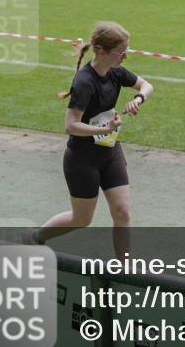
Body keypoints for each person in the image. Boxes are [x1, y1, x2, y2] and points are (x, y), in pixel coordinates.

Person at [38, 22, 153, 258]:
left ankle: (124, 267)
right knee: (81, 219)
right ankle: (34, 237)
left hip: (110, 152)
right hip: (82, 158)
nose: (125, 56)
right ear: (100, 51)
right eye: (121, 52)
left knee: (122, 212)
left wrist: (138, 99)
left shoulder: (116, 72)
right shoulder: (84, 82)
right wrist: (103, 129)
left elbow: (146, 85)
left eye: (126, 51)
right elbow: (71, 125)